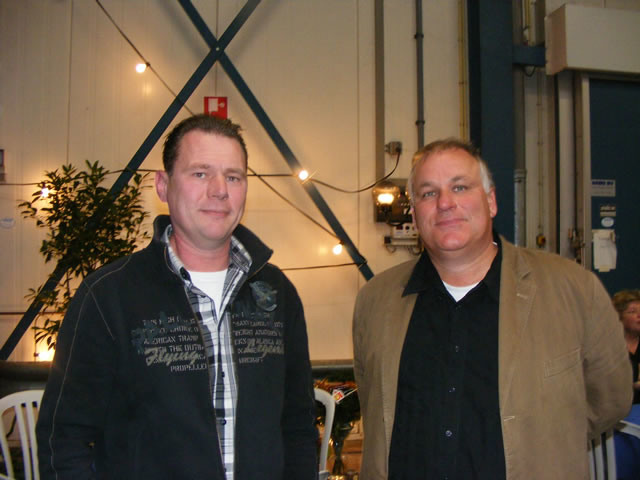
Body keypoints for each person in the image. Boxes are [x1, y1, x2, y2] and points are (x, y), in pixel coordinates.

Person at [36, 114, 318, 479]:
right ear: (163, 185)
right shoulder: (109, 296)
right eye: (200, 173)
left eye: (233, 177)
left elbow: (297, 425)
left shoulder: (277, 294)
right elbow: (64, 438)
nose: (220, 190)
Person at [352, 137, 632, 479]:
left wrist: (546, 439)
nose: (445, 203)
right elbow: (374, 404)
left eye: (460, 187)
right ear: (414, 212)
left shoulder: (572, 289)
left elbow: (610, 399)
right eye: (428, 193)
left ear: (491, 201)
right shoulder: (375, 301)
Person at [613, 289, 640, 403]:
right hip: (616, 407)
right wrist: (634, 386)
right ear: (619, 317)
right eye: (632, 311)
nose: (639, 315)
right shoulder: (607, 348)